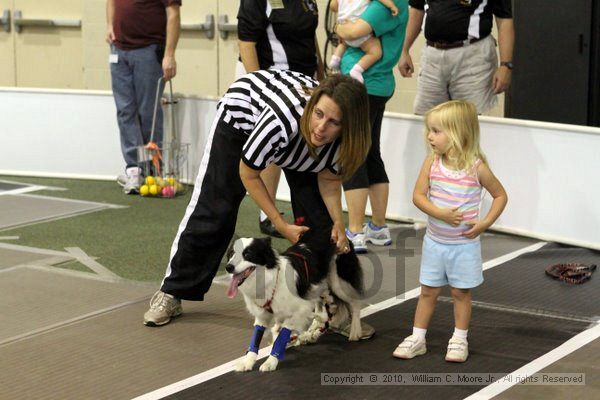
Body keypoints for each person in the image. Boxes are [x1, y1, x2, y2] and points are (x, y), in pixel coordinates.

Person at [143, 70, 372, 331]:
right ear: (313, 107)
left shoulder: (346, 141)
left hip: (300, 141)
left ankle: (332, 309)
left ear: (348, 126)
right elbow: (249, 174)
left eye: (334, 122)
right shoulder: (280, 121)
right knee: (217, 207)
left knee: (320, 225)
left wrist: (338, 224)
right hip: (244, 118)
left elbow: (329, 181)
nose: (322, 127)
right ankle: (173, 291)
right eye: (319, 114)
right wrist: (280, 223)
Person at [393, 100, 508, 363]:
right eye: (429, 130)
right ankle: (418, 337)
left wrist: (485, 223)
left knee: (460, 293)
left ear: (457, 133)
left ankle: (459, 339)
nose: (429, 136)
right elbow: (418, 196)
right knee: (428, 291)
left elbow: (500, 195)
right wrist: (439, 213)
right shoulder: (431, 163)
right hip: (435, 243)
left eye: (436, 131)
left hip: (464, 246)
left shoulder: (476, 167)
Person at [236, 0, 325, 238]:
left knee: (303, 153)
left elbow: (310, 35)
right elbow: (246, 43)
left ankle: (307, 221)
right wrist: (260, 89)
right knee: (272, 148)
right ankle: (268, 215)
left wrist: (322, 74)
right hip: (272, 83)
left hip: (305, 84)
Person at [335, 0, 407, 253]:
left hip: (366, 86)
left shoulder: (388, 4)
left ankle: (355, 231)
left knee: (353, 155)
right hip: (373, 86)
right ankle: (377, 227)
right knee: (369, 152)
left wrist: (340, 27)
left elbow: (352, 31)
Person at [106, 0, 181, 194]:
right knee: (125, 111)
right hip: (119, 51)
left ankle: (152, 169)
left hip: (148, 50)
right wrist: (109, 25)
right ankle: (134, 169)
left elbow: (173, 14)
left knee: (148, 111)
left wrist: (169, 54)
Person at [397, 0, 514, 115]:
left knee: (470, 120)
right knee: (427, 117)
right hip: (432, 55)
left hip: (473, 56)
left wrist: (505, 65)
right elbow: (417, 10)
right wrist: (404, 49)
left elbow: (504, 19)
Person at [328, 0, 399, 83]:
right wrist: (391, 5)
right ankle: (357, 69)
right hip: (360, 35)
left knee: (343, 44)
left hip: (344, 28)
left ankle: (335, 58)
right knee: (376, 52)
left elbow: (333, 6)